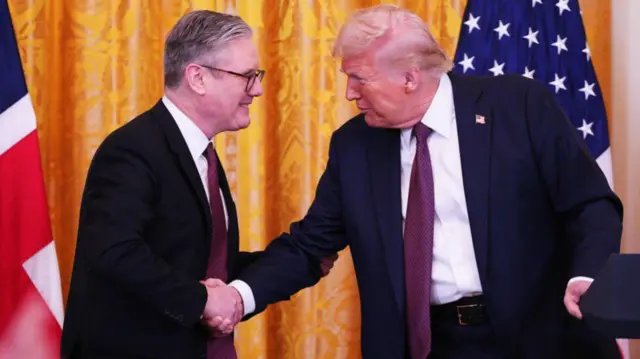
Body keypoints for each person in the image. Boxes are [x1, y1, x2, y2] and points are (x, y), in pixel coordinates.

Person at [215, 4, 624, 359]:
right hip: (431, 345)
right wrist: (238, 295)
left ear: (409, 78)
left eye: (359, 78)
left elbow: (590, 204)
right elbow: (309, 246)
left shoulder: (518, 106)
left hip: (541, 339)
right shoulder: (355, 145)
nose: (349, 93)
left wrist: (586, 275)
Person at [60, 10, 333, 359]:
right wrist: (203, 301)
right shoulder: (132, 149)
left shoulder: (202, 155)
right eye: (248, 76)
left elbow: (204, 266)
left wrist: (300, 260)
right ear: (198, 78)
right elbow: (113, 251)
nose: (259, 89)